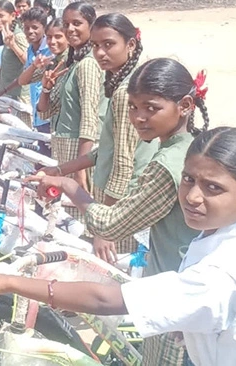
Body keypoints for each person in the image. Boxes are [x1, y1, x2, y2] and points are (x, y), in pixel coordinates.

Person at [0, 128, 236, 366]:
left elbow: (107, 301)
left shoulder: (219, 276)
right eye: (189, 180)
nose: (193, 196)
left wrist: (8, 283)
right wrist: (226, 323)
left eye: (213, 188)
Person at [34, 58, 212, 364]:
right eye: (133, 107)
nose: (139, 117)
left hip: (176, 295)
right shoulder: (191, 146)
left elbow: (113, 224)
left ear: (184, 105)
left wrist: (68, 185)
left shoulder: (168, 165)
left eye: (151, 108)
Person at [41, 13, 158, 259]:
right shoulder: (122, 80)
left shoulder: (127, 92)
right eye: (95, 46)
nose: (100, 53)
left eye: (109, 44)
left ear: (131, 44)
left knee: (117, 271)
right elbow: (107, 147)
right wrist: (61, 169)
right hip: (122, 197)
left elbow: (123, 164)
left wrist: (106, 227)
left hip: (126, 198)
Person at [36, 2, 101, 224]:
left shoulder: (88, 65)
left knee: (81, 222)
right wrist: (46, 87)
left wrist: (80, 169)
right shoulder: (71, 63)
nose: (70, 29)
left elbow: (90, 119)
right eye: (66, 24)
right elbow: (44, 112)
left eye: (77, 23)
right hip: (65, 149)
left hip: (79, 152)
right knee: (68, 219)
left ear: (91, 25)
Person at [0, 8, 52, 154]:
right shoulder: (30, 50)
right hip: (37, 112)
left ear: (44, 28)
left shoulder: (50, 51)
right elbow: (24, 77)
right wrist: (3, 91)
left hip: (49, 114)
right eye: (27, 27)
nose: (30, 31)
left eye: (35, 27)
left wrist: (14, 45)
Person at [0, 0, 32, 126]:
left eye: (1, 16)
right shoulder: (7, 35)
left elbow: (30, 63)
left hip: (19, 97)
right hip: (8, 94)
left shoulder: (18, 35)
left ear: (13, 16)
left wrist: (13, 45)